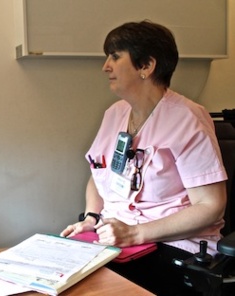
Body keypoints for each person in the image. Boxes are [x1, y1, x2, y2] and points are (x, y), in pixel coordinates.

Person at [60, 21, 227, 295]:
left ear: (146, 66)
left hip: (170, 247)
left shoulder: (187, 119)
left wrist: (136, 234)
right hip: (115, 241)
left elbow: (211, 205)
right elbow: (98, 174)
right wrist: (92, 217)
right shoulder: (114, 114)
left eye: (115, 57)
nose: (105, 66)